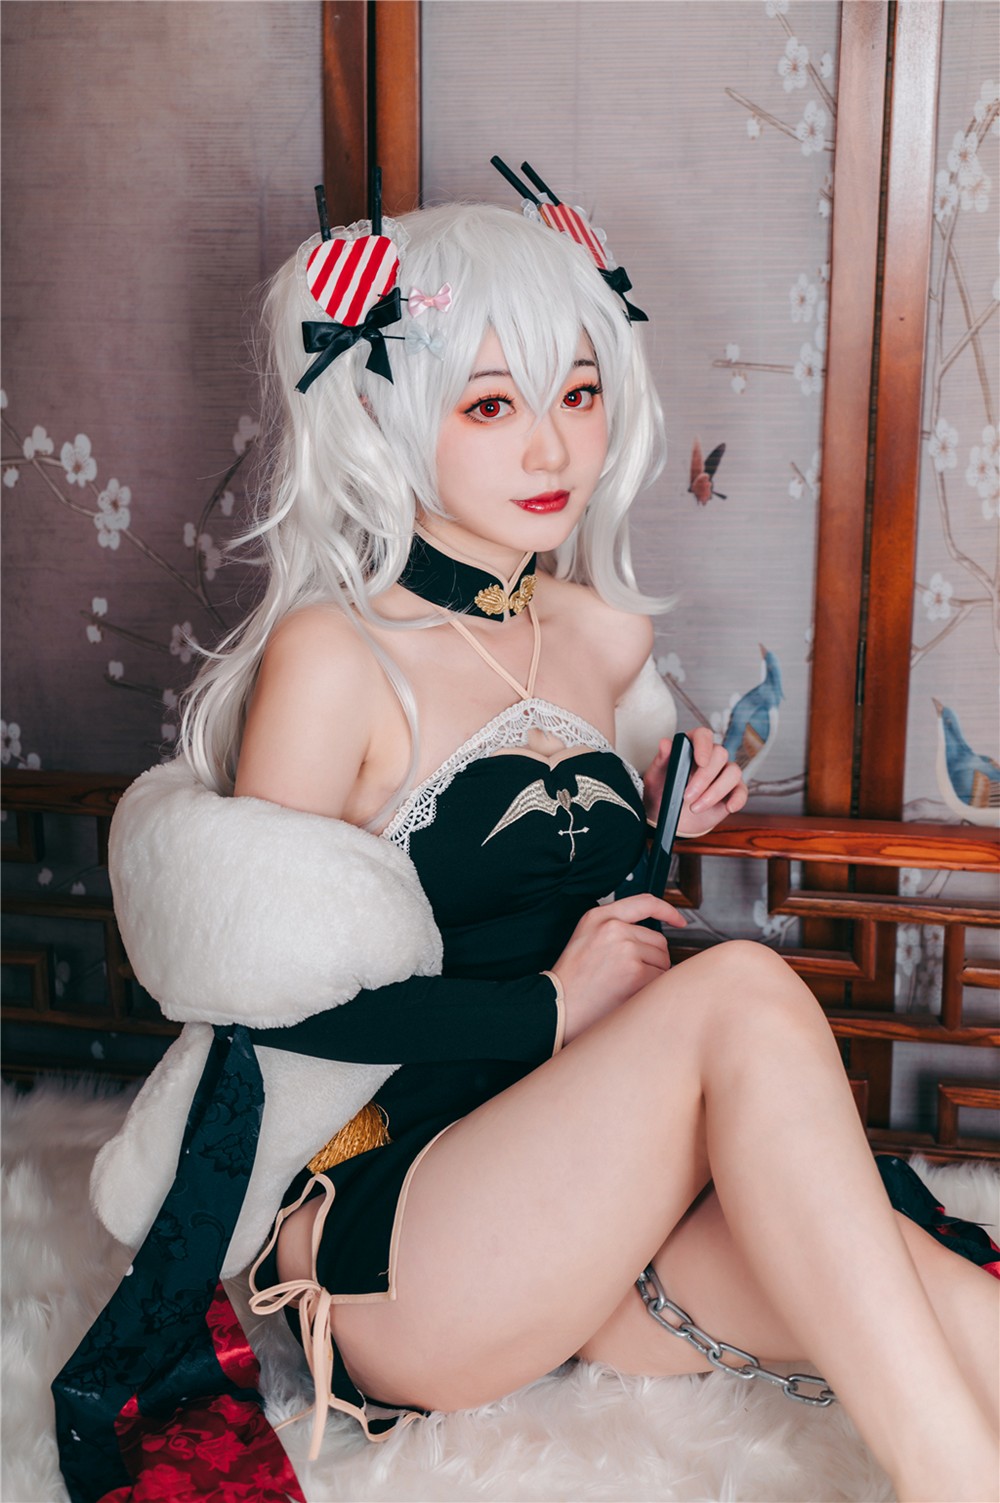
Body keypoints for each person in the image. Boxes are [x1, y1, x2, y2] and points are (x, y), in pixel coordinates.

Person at [63, 197, 998, 1503]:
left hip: (593, 1218)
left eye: (579, 393)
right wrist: (549, 1006)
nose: (553, 445)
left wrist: (665, 806)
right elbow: (269, 1017)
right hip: (405, 1243)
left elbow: (564, 891)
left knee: (925, 1286)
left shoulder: (600, 639)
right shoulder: (337, 660)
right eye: (492, 404)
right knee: (738, 986)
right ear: (392, 410)